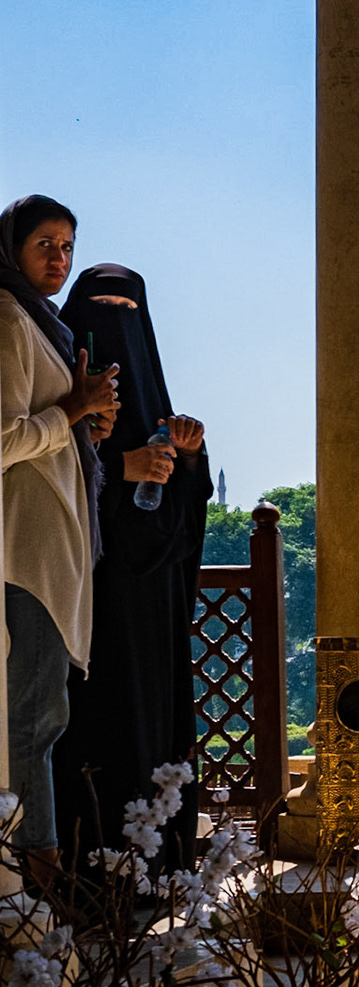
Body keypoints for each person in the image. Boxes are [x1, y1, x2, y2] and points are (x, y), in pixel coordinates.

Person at [54, 265, 204, 860]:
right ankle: (82, 862)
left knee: (152, 729)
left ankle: (159, 863)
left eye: (128, 310)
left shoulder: (152, 404)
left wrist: (188, 460)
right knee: (90, 730)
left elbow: (181, 520)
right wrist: (120, 468)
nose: (118, 323)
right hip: (82, 592)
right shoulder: (57, 395)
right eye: (101, 309)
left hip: (152, 607)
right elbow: (41, 473)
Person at [0, 196, 118, 881]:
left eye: (69, 246)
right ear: (12, 245)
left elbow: (41, 434)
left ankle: (34, 866)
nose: (59, 258)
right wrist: (71, 408)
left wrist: (84, 427)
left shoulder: (39, 321)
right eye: (45, 242)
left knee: (41, 714)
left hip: (46, 550)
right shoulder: (10, 319)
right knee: (31, 718)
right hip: (27, 552)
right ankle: (34, 876)